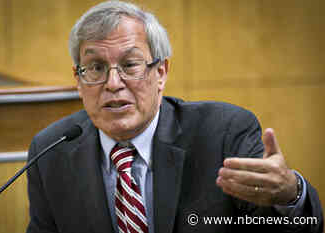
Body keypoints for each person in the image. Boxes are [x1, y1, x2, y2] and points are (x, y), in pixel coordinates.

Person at [26, 1, 323, 232]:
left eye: (130, 65)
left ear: (161, 73)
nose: (113, 83)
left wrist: (290, 196)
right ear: (78, 80)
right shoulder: (51, 150)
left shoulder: (222, 134)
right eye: (95, 68)